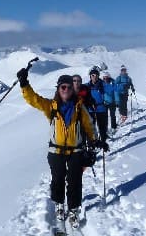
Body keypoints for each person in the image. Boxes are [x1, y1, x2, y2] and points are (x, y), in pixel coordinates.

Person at [17, 68, 108, 227]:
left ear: (73, 90)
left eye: (68, 87)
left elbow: (89, 126)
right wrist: (24, 83)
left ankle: (73, 209)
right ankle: (59, 205)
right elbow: (33, 99)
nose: (65, 90)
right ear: (58, 89)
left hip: (76, 151)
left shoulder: (80, 108)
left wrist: (96, 141)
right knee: (58, 180)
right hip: (56, 151)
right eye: (62, 87)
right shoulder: (51, 106)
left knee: (75, 181)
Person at [86, 67, 109, 142]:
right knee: (91, 127)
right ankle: (93, 143)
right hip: (91, 109)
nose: (94, 77)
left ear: (98, 76)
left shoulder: (103, 85)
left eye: (96, 75)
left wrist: (108, 101)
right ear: (90, 76)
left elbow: (110, 92)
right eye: (93, 75)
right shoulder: (86, 86)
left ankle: (103, 141)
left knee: (102, 127)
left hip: (102, 109)